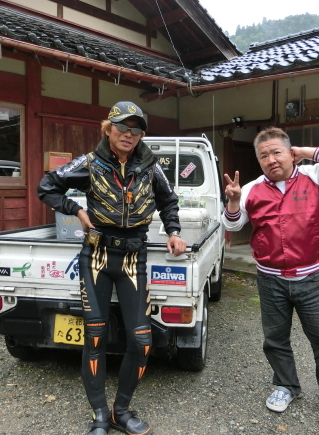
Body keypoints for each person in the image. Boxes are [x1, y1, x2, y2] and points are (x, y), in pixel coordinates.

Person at [38, 101, 187, 435]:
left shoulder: (150, 165)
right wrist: (76, 210)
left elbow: (168, 201)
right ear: (108, 129)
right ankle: (99, 416)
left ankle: (121, 410)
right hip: (97, 256)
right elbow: (47, 186)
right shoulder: (89, 163)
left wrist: (174, 232)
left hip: (135, 256)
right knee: (94, 337)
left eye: (136, 129)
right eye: (122, 128)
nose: (129, 135)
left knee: (141, 341)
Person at [221, 127, 319, 428]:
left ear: (290, 152)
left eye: (276, 152)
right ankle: (286, 386)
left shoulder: (316, 178)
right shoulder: (252, 189)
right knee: (275, 339)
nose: (270, 159)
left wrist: (304, 153)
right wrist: (232, 201)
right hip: (270, 281)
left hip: (311, 278)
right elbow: (232, 225)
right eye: (263, 155)